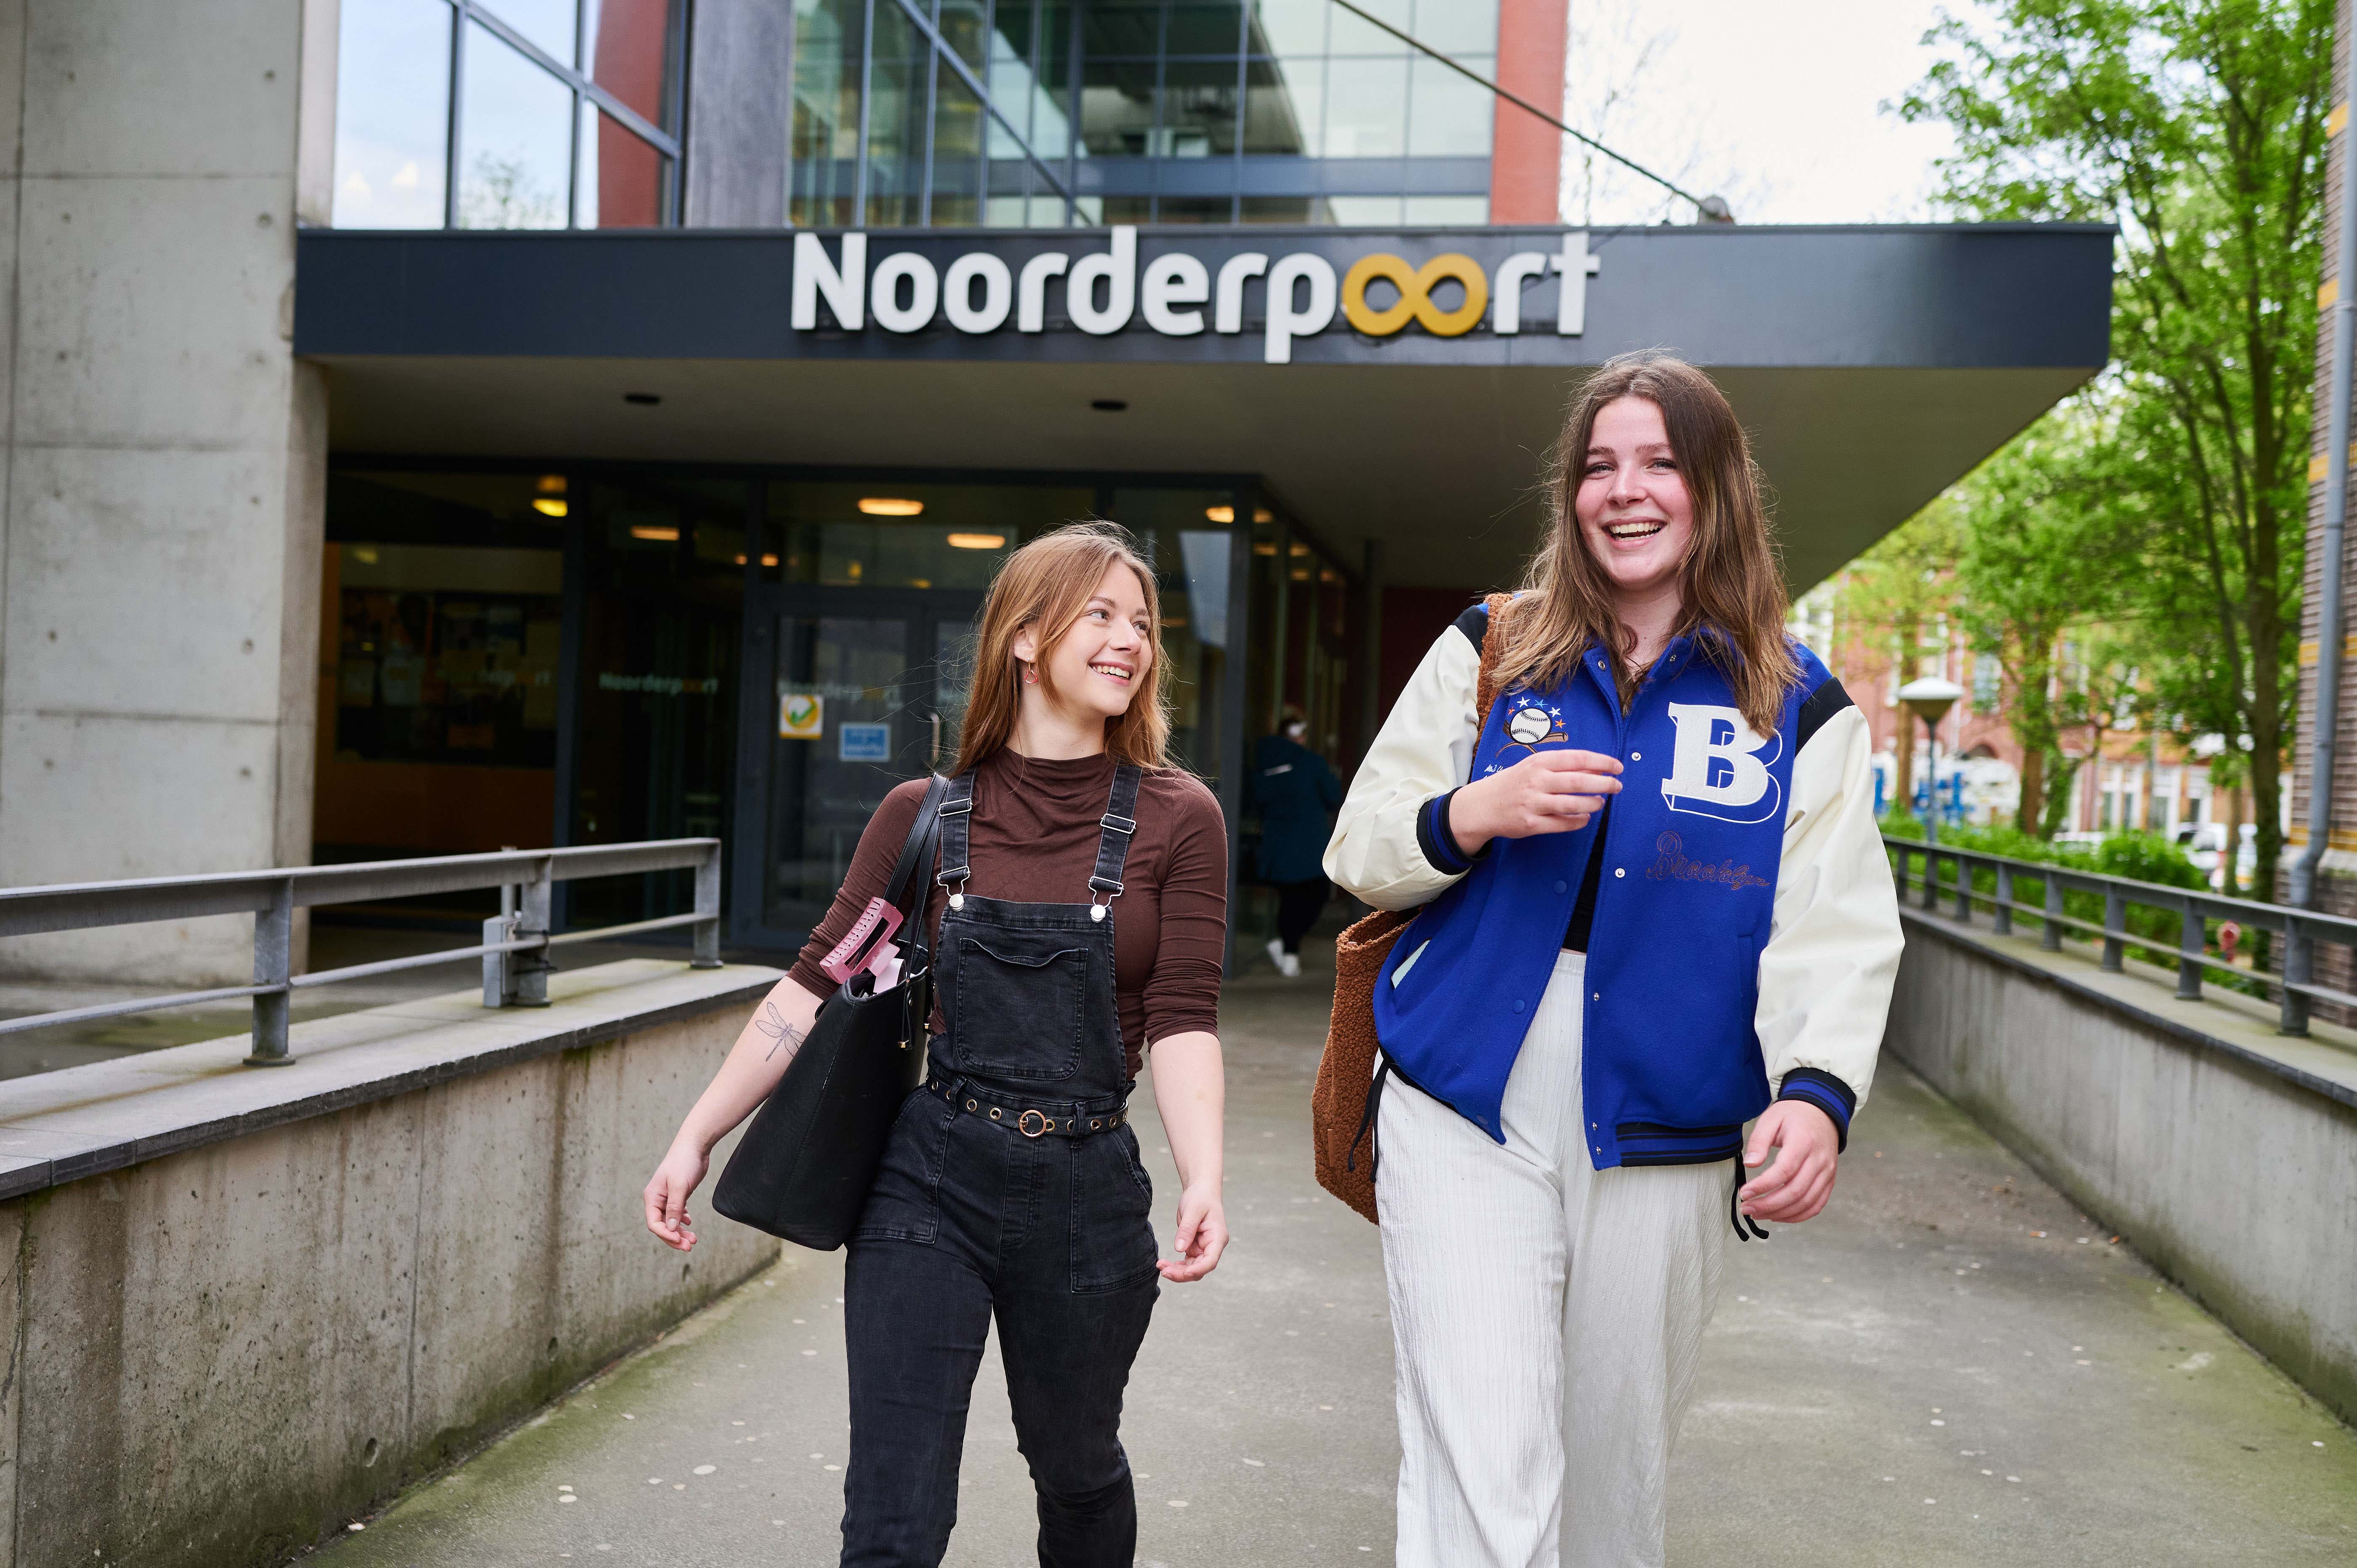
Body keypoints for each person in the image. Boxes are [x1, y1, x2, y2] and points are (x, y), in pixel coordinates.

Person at [1324, 352, 1902, 1568]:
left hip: (1669, 1119)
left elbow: (1833, 923)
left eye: (1657, 463)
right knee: (1481, 1454)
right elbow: (1361, 847)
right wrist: (1470, 811)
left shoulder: (1794, 705)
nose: (1623, 490)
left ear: (1714, 491)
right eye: (1597, 466)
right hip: (1459, 1093)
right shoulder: (1490, 648)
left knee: (1611, 1470)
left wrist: (1816, 1093)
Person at [642, 522, 1231, 1568]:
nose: (1127, 639)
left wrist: (1203, 1174)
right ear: (1023, 634)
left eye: (1141, 621)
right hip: (929, 1183)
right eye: (1098, 612)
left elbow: (1183, 1012)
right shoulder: (924, 815)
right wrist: (695, 1133)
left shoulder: (1180, 817)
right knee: (893, 1516)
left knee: (1077, 1468)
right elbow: (813, 982)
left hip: (1090, 1196)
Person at [1248, 705, 1343, 977]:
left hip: (1276, 843)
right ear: (1299, 736)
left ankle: (1286, 948)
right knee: (1315, 895)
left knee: (1289, 899)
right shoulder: (1311, 762)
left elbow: (1257, 800)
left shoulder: (1263, 762)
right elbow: (1333, 796)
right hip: (1308, 841)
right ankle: (1289, 949)